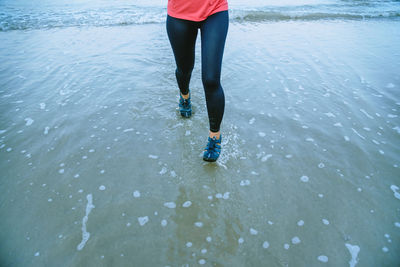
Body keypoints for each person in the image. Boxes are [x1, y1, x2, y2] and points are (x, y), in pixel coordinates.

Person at [166, 0, 229, 162]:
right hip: (179, 14)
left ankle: (214, 136)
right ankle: (185, 96)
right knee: (184, 70)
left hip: (215, 10)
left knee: (211, 80)